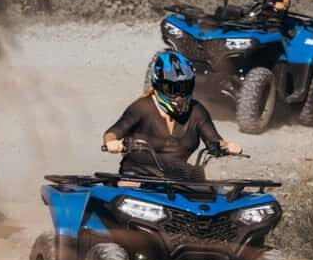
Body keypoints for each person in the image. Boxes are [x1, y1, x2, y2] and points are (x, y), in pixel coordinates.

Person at [103, 50, 242, 179]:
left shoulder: (196, 111)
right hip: (139, 174)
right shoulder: (142, 107)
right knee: (127, 191)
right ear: (158, 84)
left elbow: (215, 140)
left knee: (207, 196)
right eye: (173, 88)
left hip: (180, 176)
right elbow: (113, 132)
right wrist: (112, 143)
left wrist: (227, 146)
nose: (179, 96)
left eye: (184, 87)